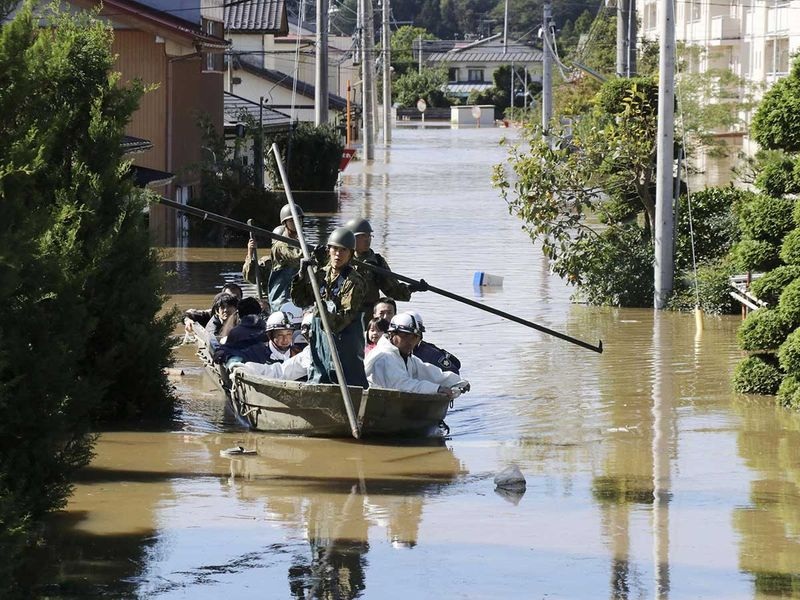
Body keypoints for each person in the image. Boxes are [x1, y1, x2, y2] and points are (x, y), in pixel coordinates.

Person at [291, 227, 368, 387]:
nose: (338, 254)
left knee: (347, 383)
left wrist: (320, 307)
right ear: (328, 250)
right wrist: (302, 275)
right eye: (335, 249)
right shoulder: (321, 274)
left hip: (344, 348)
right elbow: (300, 301)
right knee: (318, 379)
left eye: (343, 250)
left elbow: (340, 322)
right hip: (320, 343)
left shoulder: (354, 282)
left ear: (351, 253)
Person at [343, 217, 427, 327]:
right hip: (342, 316)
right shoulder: (338, 259)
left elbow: (394, 291)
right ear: (351, 238)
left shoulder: (376, 262)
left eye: (369, 236)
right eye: (363, 236)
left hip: (367, 318)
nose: (367, 240)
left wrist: (412, 288)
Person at [364, 312, 469, 398]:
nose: (409, 342)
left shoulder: (404, 356)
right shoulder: (384, 356)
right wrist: (437, 389)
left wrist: (457, 382)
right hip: (376, 407)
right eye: (404, 336)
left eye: (414, 337)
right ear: (392, 334)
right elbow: (402, 386)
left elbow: (429, 372)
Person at [266, 204, 305, 311]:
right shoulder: (280, 245)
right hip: (281, 300)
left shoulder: (300, 243)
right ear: (285, 223)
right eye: (292, 221)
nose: (297, 223)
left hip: (298, 298)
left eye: (299, 219)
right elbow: (297, 257)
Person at [212, 296, 268, 364]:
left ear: (239, 315)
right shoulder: (267, 328)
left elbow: (227, 349)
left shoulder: (237, 332)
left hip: (247, 364)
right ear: (259, 312)